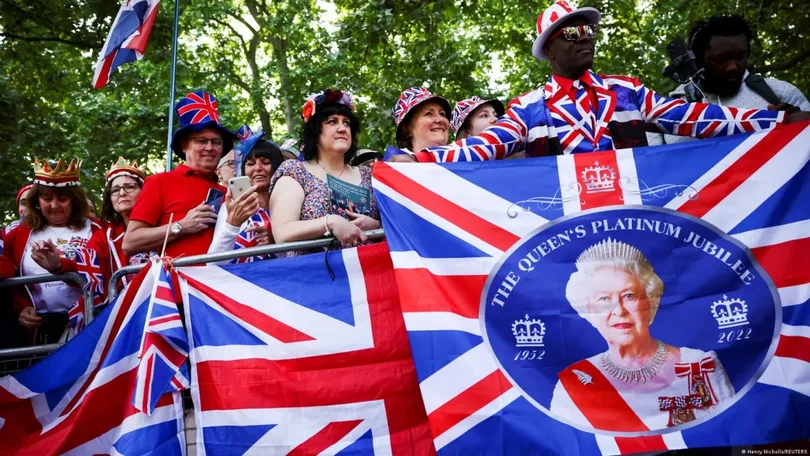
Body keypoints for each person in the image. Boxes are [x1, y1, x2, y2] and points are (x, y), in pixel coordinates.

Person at [396, 0, 809, 163]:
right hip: (568, 233)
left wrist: (770, 121)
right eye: (573, 33)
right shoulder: (528, 106)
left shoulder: (626, 90)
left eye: (590, 30)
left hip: (639, 222)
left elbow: (692, 117)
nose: (586, 37)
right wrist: (420, 159)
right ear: (550, 50)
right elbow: (484, 145)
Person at [550, 238, 734, 431]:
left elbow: (729, 433)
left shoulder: (699, 366)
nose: (619, 310)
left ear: (649, 303)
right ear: (589, 311)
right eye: (604, 298)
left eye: (629, 296)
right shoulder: (575, 383)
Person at [123, 91, 249, 258]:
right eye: (201, 141)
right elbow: (130, 243)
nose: (210, 148)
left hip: (225, 280)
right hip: (177, 281)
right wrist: (181, 226)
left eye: (216, 142)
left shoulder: (230, 192)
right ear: (184, 145)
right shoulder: (160, 182)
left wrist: (260, 237)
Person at [652, 15, 810, 145]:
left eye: (740, 56)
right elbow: (649, 171)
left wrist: (801, 126)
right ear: (697, 61)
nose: (733, 67)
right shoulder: (665, 114)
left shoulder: (779, 93)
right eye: (721, 59)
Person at [269, 89, 381, 257]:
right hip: (315, 278)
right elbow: (282, 232)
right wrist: (330, 222)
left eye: (346, 123)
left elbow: (400, 225)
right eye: (332, 122)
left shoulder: (369, 175)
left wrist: (377, 226)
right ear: (315, 131)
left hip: (369, 275)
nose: (342, 128)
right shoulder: (295, 172)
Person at [3, 158, 101, 345]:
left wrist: (59, 267)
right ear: (37, 201)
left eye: (63, 199)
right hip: (39, 330)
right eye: (47, 198)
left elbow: (104, 274)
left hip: (87, 323)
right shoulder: (18, 235)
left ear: (75, 200)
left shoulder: (96, 229)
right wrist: (22, 307)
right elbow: (11, 280)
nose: (54, 205)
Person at [32, 157, 150, 308]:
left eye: (130, 187)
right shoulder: (105, 235)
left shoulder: (164, 223)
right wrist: (58, 265)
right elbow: (86, 266)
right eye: (115, 190)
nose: (122, 193)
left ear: (145, 190)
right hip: (126, 312)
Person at [209, 129, 285, 263]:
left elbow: (300, 257)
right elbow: (213, 263)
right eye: (250, 163)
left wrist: (276, 243)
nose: (258, 168)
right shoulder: (233, 206)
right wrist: (233, 223)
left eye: (266, 162)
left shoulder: (290, 204)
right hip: (239, 282)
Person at [384, 87, 452, 161]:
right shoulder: (392, 167)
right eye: (428, 113)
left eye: (442, 114)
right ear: (407, 128)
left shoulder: (461, 162)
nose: (440, 119)